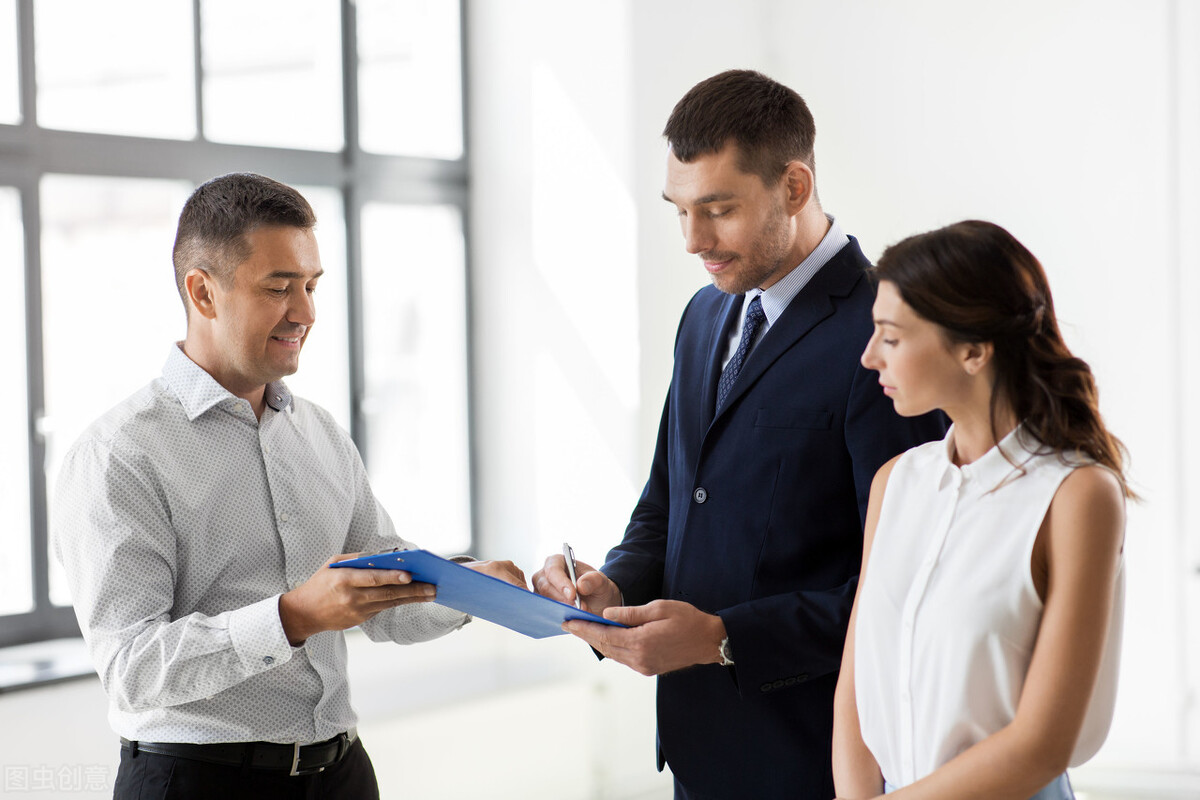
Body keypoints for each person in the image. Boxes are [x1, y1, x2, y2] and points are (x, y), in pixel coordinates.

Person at [531, 70, 947, 799]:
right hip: (698, 754)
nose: (694, 240)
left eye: (718, 210)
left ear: (793, 186)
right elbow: (671, 499)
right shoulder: (703, 316)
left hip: (823, 760)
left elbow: (908, 591)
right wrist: (615, 581)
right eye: (680, 211)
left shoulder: (887, 335)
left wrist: (724, 636)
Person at [52, 172, 525, 800]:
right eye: (279, 288)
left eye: (310, 285)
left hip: (342, 775)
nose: (305, 312)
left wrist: (477, 588)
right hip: (198, 784)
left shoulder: (320, 434)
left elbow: (387, 605)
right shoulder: (121, 455)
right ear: (203, 292)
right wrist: (294, 616)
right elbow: (132, 670)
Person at [831, 220, 1128, 800]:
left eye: (890, 338)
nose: (869, 358)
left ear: (973, 350)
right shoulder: (897, 483)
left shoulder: (1077, 496)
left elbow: (1043, 743)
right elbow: (856, 687)